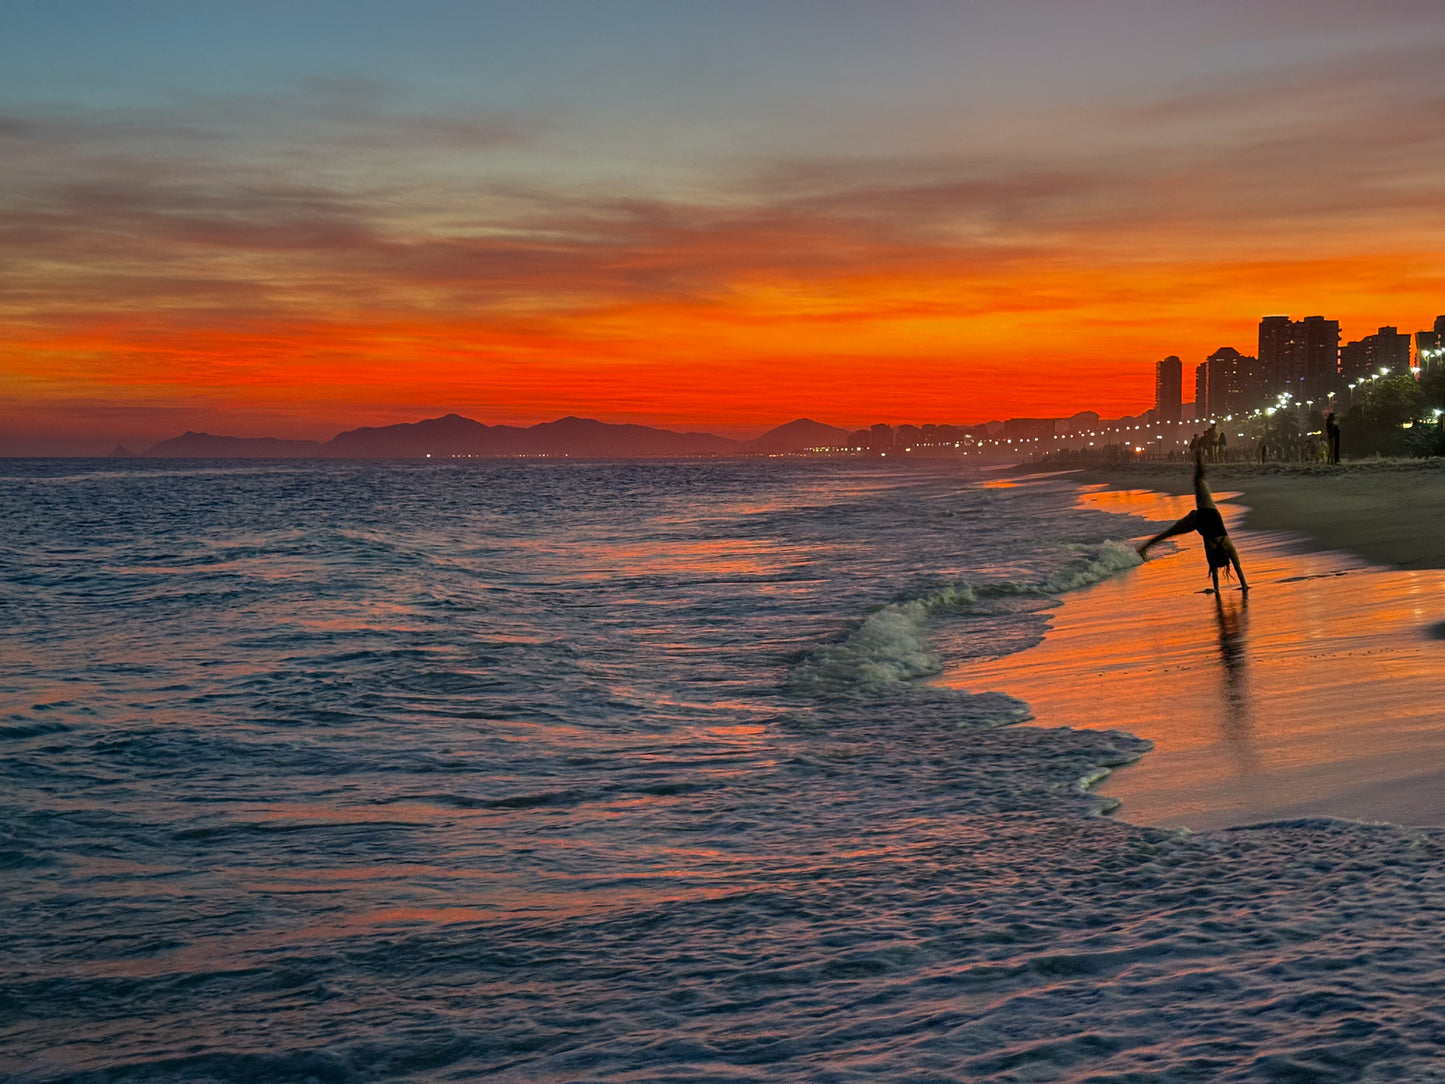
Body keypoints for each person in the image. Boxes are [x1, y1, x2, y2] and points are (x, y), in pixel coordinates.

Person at [1136, 450, 1250, 593]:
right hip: (1199, 521)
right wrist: (1217, 589)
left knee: (1199, 480)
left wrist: (1244, 584)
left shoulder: (1227, 546)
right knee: (1169, 533)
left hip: (1207, 512)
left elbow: (1237, 567)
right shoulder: (1212, 551)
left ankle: (1198, 457)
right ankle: (1143, 549)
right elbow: (1215, 571)